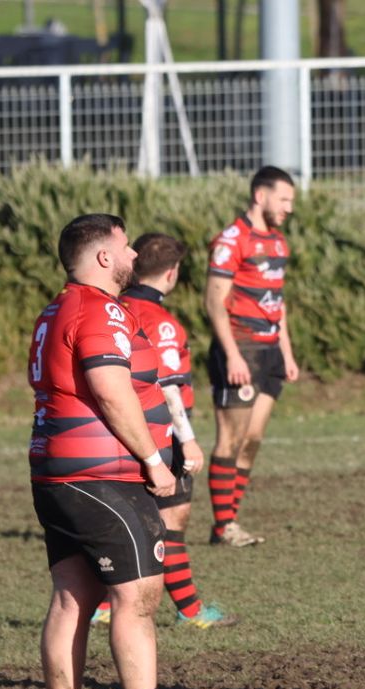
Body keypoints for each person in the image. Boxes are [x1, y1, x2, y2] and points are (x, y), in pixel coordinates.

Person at [28, 213, 210, 689]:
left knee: (72, 598)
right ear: (104, 256)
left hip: (56, 474)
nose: (133, 257)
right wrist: (155, 460)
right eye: (126, 247)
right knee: (137, 599)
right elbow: (110, 390)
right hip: (100, 478)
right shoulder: (99, 308)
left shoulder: (56, 307)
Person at [93, 234, 237, 629]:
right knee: (172, 523)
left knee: (124, 521)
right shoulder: (164, 324)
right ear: (172, 273)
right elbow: (169, 388)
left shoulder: (113, 308)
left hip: (116, 434)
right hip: (161, 435)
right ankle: (191, 611)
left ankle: (105, 602)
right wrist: (187, 440)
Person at [204, 165, 299, 548]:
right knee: (231, 438)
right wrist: (232, 355)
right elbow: (213, 302)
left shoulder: (277, 242)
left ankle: (229, 523)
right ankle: (224, 527)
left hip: (270, 351)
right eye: (284, 199)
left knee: (253, 438)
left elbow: (278, 301)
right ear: (261, 195)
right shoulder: (231, 240)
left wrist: (287, 352)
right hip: (239, 349)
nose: (289, 207)